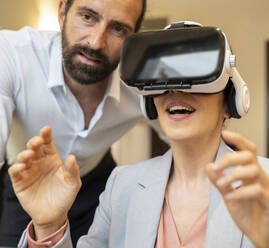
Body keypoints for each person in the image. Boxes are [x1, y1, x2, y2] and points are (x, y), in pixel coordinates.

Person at [9, 24, 269, 247]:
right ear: (149, 100)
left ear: (230, 102)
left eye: (195, 75)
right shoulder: (121, 185)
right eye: (162, 78)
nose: (175, 90)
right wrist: (49, 225)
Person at [0, 0, 164, 246]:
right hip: (28, 183)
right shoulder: (12, 53)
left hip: (97, 181)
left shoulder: (143, 83)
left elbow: (190, 142)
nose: (96, 43)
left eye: (118, 29)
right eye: (87, 17)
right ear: (63, 12)